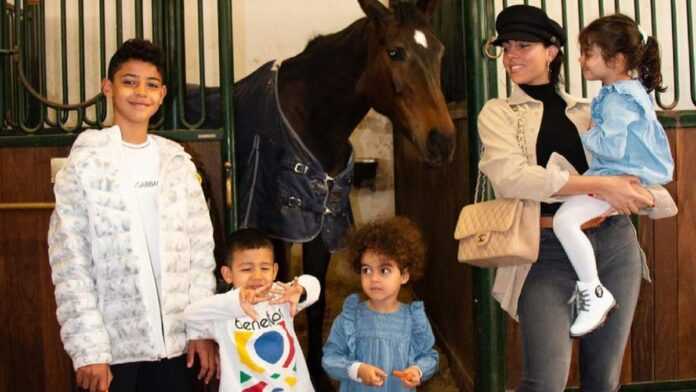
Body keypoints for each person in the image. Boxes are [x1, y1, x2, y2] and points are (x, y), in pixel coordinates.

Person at [478, 5, 661, 391]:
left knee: (602, 380)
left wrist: (633, 190)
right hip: (543, 253)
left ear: (552, 51)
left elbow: (628, 161)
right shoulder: (498, 113)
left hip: (613, 245)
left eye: (523, 46)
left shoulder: (588, 108)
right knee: (545, 381)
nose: (511, 56)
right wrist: (600, 187)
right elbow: (512, 178)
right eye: (506, 47)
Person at [47, 38, 217, 392]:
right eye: (129, 81)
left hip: (178, 348)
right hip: (113, 353)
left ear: (163, 93)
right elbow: (70, 264)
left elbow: (200, 256)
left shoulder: (178, 163)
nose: (141, 92)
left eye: (151, 84)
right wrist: (89, 349)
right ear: (108, 87)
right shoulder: (85, 165)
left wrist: (201, 330)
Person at [552, 13, 674, 337]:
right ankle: (592, 291)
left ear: (616, 59)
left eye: (588, 53)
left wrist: (586, 131)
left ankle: (593, 293)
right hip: (620, 173)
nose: (581, 60)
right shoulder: (629, 90)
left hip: (618, 174)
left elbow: (612, 145)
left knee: (565, 222)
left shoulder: (620, 97)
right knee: (567, 218)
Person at [183, 228, 320, 392]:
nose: (257, 276)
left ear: (275, 271)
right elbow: (190, 314)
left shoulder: (281, 295)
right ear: (228, 274)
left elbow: (314, 285)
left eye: (265, 268)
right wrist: (236, 302)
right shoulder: (223, 309)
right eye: (247, 269)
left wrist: (300, 290)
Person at [322, 216, 438, 391]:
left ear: (404, 275)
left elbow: (429, 356)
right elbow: (330, 358)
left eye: (384, 270)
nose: (374, 278)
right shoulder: (349, 318)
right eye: (366, 270)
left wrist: (417, 370)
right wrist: (357, 370)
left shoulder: (414, 320)